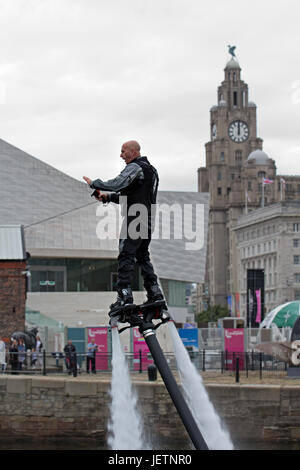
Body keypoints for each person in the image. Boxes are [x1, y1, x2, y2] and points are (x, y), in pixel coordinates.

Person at [83, 140, 164, 312]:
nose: (121, 155)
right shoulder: (152, 171)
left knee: (126, 254)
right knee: (142, 256)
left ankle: (124, 295)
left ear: (134, 151)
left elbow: (117, 183)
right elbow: (132, 195)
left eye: (123, 151)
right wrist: (107, 197)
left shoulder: (135, 167)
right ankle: (155, 292)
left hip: (135, 218)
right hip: (148, 219)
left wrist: (94, 184)